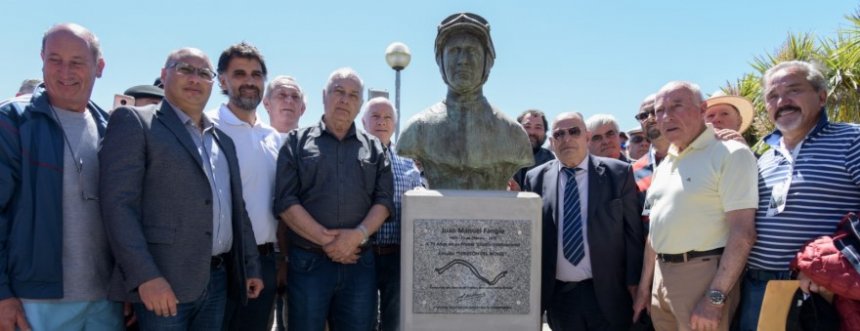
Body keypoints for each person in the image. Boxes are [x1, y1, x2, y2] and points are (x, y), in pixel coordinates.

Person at [99, 47, 263, 330]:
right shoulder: (136, 122)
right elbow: (118, 206)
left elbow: (238, 210)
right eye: (185, 69)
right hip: (163, 284)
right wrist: (144, 277)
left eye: (203, 73)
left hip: (217, 282)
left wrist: (250, 266)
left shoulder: (222, 140)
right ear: (164, 75)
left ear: (213, 83)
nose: (194, 79)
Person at [0, 23, 122, 331]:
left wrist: (125, 287)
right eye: (55, 59)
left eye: (77, 62)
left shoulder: (111, 128)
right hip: (34, 304)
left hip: (105, 302)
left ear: (100, 67)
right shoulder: (13, 121)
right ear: (41, 59)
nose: (64, 71)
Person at [737, 60, 860, 330]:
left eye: (793, 90)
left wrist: (835, 262)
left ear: (822, 96)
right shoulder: (764, 158)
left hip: (823, 290)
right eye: (772, 96)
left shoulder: (852, 140)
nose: (782, 101)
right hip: (758, 286)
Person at [273, 68, 394, 330]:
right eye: (338, 91)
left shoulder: (375, 148)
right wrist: (329, 241)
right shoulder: (296, 142)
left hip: (359, 265)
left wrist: (356, 237)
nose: (344, 99)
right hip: (308, 265)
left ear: (360, 103)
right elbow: (285, 200)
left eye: (353, 95)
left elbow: (384, 202)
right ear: (324, 95)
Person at [632, 81, 758, 331]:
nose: (666, 117)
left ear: (701, 109)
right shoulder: (666, 163)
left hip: (703, 278)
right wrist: (645, 289)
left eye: (677, 106)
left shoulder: (730, 153)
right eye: (660, 111)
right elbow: (655, 234)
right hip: (661, 278)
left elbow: (743, 233)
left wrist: (715, 297)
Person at [523, 112, 644, 330]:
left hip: (609, 294)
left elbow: (633, 234)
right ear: (552, 142)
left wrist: (634, 283)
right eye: (559, 134)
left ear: (587, 137)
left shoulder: (617, 173)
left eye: (574, 132)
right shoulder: (535, 178)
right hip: (560, 297)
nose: (566, 138)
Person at [397, 12, 533, 190]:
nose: (463, 61)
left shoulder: (513, 134)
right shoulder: (417, 129)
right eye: (454, 51)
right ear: (440, 60)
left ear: (488, 61)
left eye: (472, 51)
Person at [207, 42, 281, 331]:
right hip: (219, 266)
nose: (249, 81)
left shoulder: (273, 138)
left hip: (264, 262)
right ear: (222, 80)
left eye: (256, 74)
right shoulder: (206, 127)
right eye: (239, 74)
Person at [360, 97, 423, 331]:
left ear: (394, 125)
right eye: (375, 117)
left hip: (397, 257)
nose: (381, 122)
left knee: (394, 321)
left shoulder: (409, 165)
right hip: (361, 256)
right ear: (364, 122)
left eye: (387, 118)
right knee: (361, 320)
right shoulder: (351, 159)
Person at [510, 109, 556, 191]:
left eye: (538, 127)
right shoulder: (502, 158)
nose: (532, 132)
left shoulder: (552, 161)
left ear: (545, 132)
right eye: (527, 126)